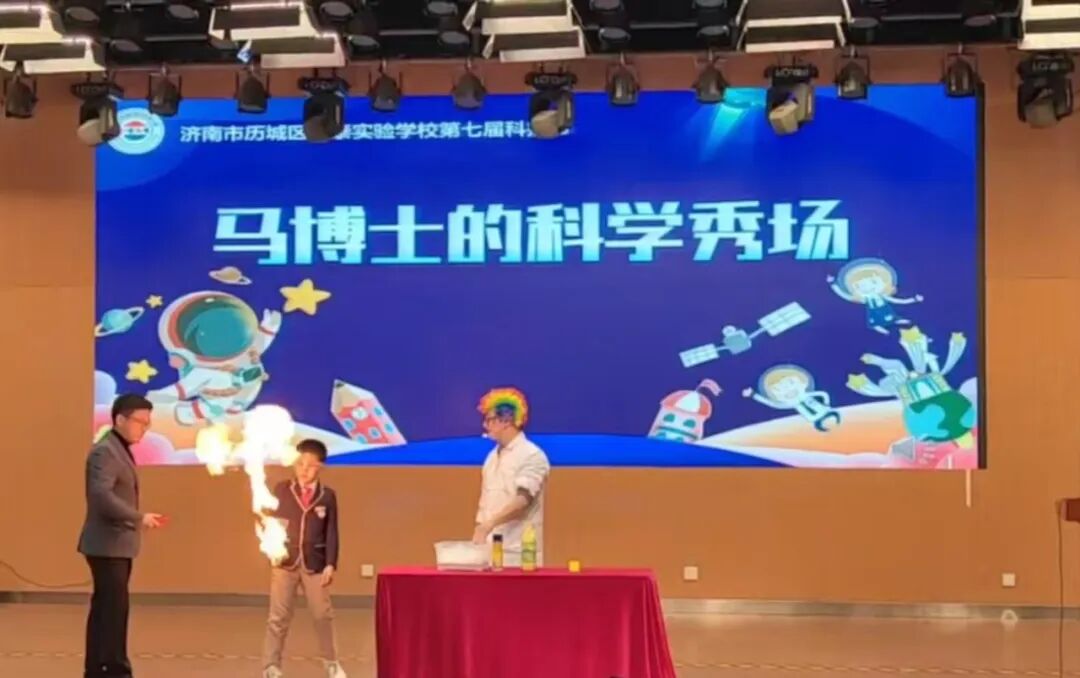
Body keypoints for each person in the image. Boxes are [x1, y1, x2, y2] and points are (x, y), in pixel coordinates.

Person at [77, 393, 166, 678]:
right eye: (140, 422)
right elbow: (101, 497)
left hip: (116, 545)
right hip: (107, 545)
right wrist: (139, 517)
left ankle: (98, 669)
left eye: (147, 423)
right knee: (113, 610)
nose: (144, 428)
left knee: (106, 609)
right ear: (119, 419)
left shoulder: (118, 449)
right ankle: (114, 669)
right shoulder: (105, 452)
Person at [262, 439, 345, 678]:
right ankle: (271, 665)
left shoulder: (327, 496)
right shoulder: (282, 489)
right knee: (278, 617)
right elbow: (270, 521)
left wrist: (330, 563)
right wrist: (272, 546)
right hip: (285, 562)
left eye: (310, 465)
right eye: (300, 464)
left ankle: (331, 662)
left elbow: (332, 532)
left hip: (315, 564)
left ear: (320, 466)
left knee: (322, 615)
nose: (304, 470)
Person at [472, 387, 551, 565]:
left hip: (519, 555)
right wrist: (480, 530)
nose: (485, 425)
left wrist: (489, 524)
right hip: (489, 552)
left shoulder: (531, 455)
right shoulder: (491, 457)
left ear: (506, 421)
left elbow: (522, 501)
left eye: (489, 420)